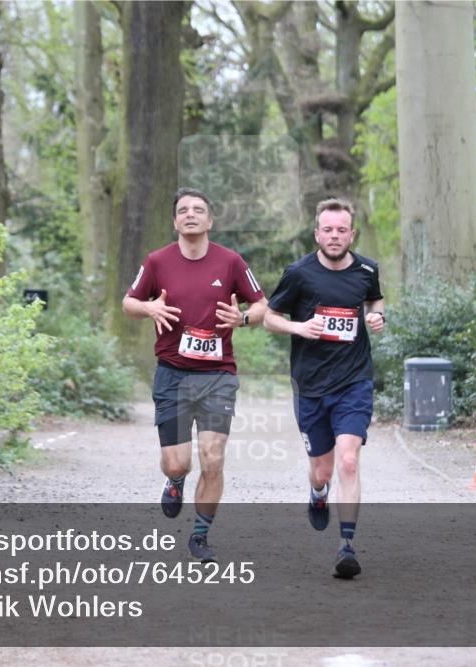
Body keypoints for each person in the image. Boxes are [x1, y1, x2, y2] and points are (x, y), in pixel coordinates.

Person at [122, 187, 267, 563]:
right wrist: (149, 308)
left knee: (213, 458)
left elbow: (262, 305)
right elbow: (128, 302)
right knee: (178, 462)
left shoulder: (231, 261)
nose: (190, 214)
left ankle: (200, 535)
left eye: (198, 209)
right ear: (175, 222)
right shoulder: (157, 261)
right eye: (183, 210)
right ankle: (175, 480)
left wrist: (243, 318)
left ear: (210, 220)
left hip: (218, 375)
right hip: (172, 374)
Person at [263, 197, 384, 578]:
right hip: (311, 385)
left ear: (352, 234)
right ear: (317, 234)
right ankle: (318, 493)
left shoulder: (367, 269)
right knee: (322, 471)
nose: (334, 236)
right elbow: (269, 317)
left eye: (341, 230)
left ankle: (347, 544)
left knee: (349, 460)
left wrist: (376, 315)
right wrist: (298, 327)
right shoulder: (299, 273)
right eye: (328, 230)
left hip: (354, 380)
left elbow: (374, 299)